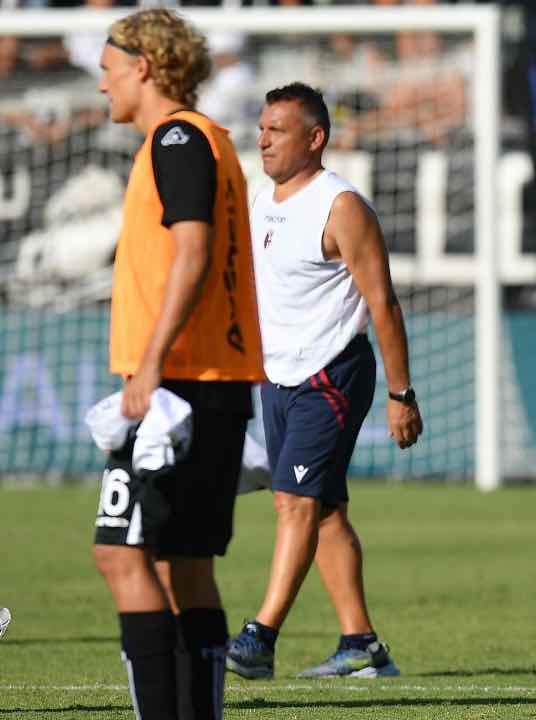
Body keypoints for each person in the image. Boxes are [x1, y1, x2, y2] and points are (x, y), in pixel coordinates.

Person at [92, 9, 263, 720]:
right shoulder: (206, 139)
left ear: (143, 66)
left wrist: (150, 364)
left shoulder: (175, 137)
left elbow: (192, 251)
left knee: (121, 555)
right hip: (211, 383)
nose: (101, 86)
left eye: (107, 70)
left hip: (180, 385)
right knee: (184, 567)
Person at [225, 82, 423, 680]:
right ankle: (361, 644)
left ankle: (259, 637)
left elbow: (382, 302)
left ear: (315, 138)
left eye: (277, 130)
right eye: (261, 128)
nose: (262, 139)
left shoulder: (341, 207)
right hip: (277, 377)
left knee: (296, 502)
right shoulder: (263, 200)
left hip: (331, 373)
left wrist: (400, 393)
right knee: (326, 510)